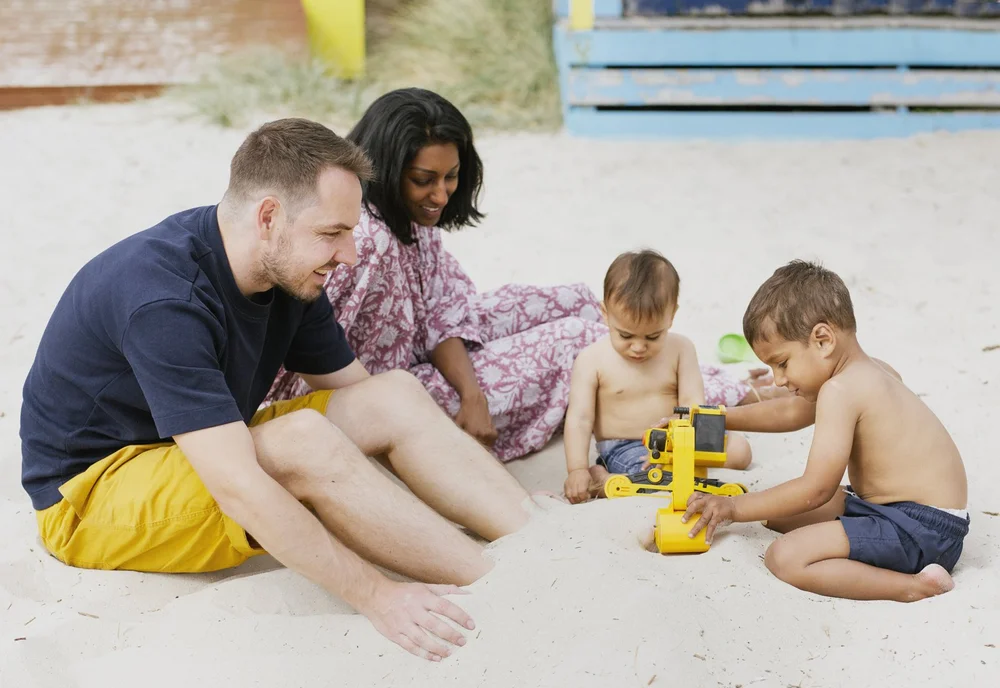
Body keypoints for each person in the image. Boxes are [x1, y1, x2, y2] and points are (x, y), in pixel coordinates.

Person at [20, 118, 542, 662]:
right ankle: (505, 582)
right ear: (268, 216)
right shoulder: (164, 299)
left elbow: (370, 409)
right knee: (300, 442)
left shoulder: (288, 271)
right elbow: (239, 485)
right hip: (89, 499)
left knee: (395, 393)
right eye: (332, 233)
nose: (349, 256)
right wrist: (377, 594)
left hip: (195, 449)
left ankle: (540, 538)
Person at [266, 88, 766, 461]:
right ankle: (729, 391)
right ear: (387, 169)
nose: (441, 195)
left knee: (577, 300)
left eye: (451, 176)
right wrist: (467, 398)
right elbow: (314, 359)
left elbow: (444, 315)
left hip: (425, 348)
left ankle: (711, 378)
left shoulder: (413, 224)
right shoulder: (363, 241)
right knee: (576, 339)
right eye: (424, 180)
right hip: (381, 390)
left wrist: (473, 391)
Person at [681, 260, 969, 602]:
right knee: (778, 517)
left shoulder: (840, 391)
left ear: (822, 340)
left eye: (782, 363)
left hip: (919, 531)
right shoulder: (873, 370)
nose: (778, 379)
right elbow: (789, 412)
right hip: (920, 518)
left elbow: (816, 489)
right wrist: (718, 417)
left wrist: (733, 507)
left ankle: (914, 587)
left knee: (785, 556)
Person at [562, 250, 753, 503]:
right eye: (626, 336)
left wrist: (680, 427)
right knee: (650, 476)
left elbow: (693, 401)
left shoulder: (681, 348)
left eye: (652, 336)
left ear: (671, 315)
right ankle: (600, 478)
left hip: (679, 437)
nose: (639, 347)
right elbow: (580, 419)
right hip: (627, 445)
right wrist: (576, 469)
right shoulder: (591, 360)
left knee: (740, 451)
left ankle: (664, 474)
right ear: (605, 313)